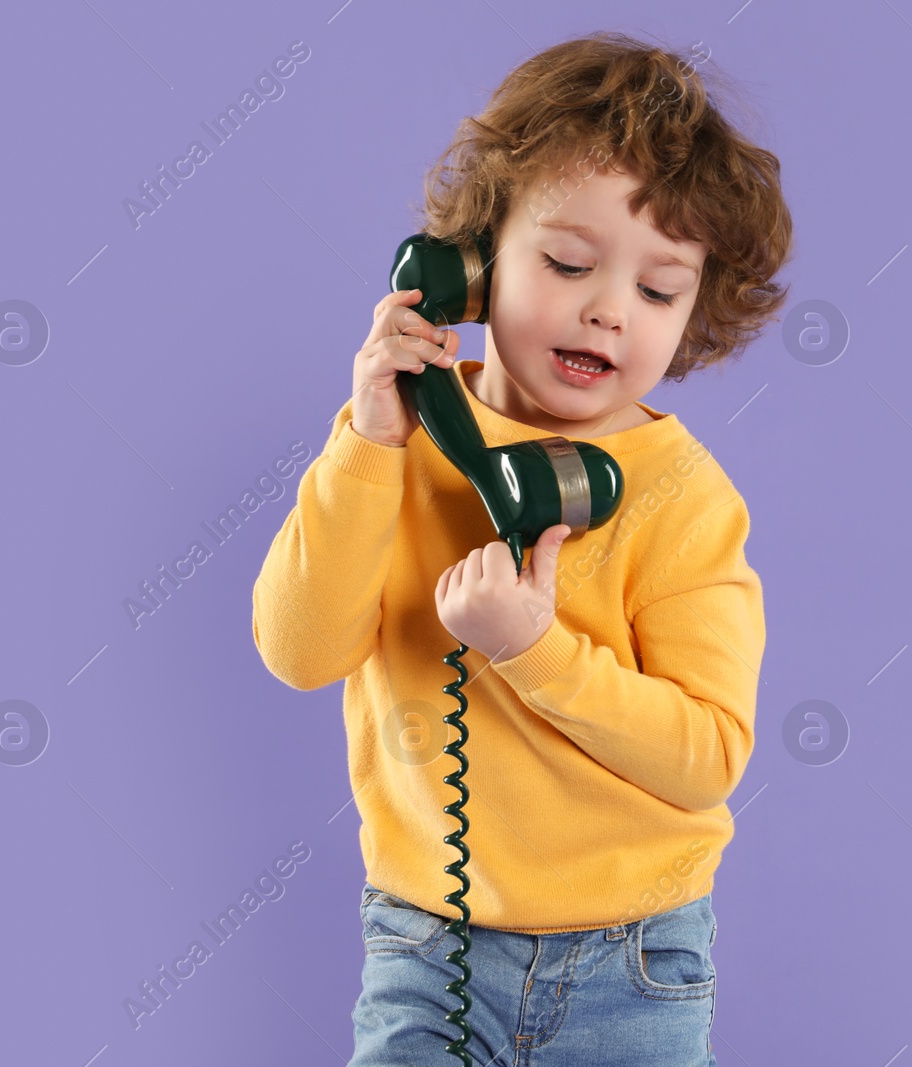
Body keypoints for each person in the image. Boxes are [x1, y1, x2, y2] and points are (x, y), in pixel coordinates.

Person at [251, 29, 793, 1066]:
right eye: (567, 261)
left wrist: (533, 648)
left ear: (696, 311)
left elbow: (707, 756)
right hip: (426, 940)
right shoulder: (392, 443)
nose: (606, 307)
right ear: (469, 261)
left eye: (657, 289)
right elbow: (299, 649)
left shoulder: (684, 500)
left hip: (631, 958)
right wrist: (370, 440)